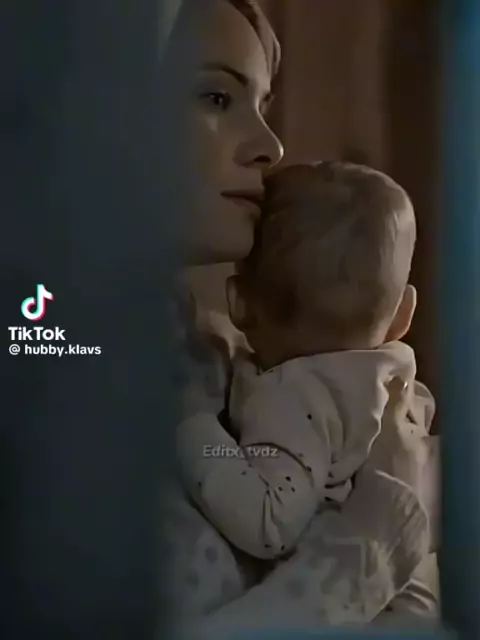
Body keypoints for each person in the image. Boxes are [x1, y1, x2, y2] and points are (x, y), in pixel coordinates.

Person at [163, 0, 439, 633]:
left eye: (263, 103)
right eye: (216, 97)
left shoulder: (224, 357)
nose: (272, 145)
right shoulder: (43, 350)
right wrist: (380, 535)